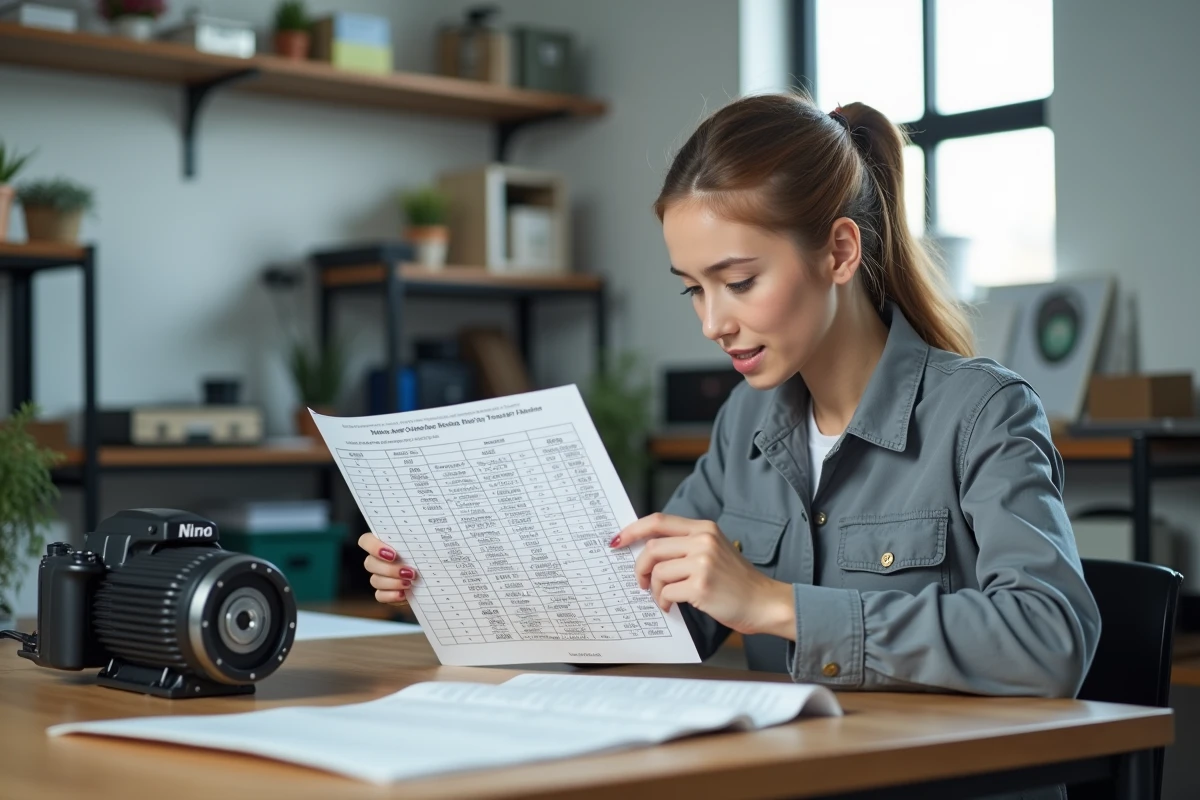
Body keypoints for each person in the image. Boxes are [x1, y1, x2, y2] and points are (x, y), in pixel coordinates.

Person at [358, 93, 1099, 703]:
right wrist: (450, 574)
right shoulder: (746, 420)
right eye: (694, 289)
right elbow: (657, 624)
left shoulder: (983, 415)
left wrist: (775, 604)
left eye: (739, 282)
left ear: (840, 251)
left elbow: (1052, 640)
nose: (714, 323)